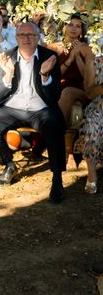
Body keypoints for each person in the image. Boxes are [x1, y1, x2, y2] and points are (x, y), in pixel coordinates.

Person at [0, 23, 66, 203]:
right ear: (16, 37)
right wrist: (8, 74)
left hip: (40, 108)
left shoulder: (49, 57)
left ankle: (57, 178)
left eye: (31, 35)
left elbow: (54, 96)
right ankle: (8, 164)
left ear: (38, 38)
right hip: (12, 108)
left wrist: (45, 75)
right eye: (22, 35)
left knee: (53, 125)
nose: (26, 39)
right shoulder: (6, 57)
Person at [47, 14, 92, 124]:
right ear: (64, 27)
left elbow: (87, 77)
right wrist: (70, 59)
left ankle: (55, 130)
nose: (73, 28)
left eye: (78, 26)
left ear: (82, 30)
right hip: (56, 86)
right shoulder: (53, 47)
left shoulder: (87, 49)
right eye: (70, 24)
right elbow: (53, 76)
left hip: (77, 89)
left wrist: (77, 58)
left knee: (68, 92)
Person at [77, 54, 103, 194]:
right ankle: (92, 175)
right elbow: (89, 93)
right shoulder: (95, 62)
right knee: (92, 125)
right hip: (99, 106)